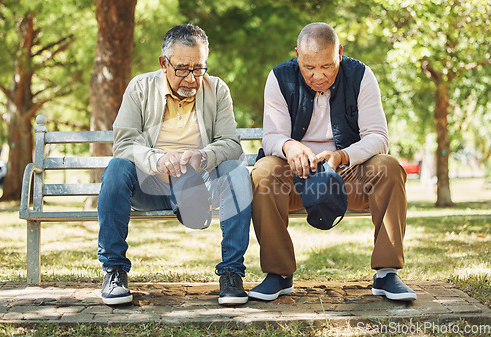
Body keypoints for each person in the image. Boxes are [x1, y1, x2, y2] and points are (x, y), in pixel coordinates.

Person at [249, 22, 416, 302]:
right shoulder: (279, 77)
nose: (317, 76)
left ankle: (387, 273)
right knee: (264, 171)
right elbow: (271, 137)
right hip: (295, 180)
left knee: (388, 167)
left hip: (346, 175)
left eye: (326, 66)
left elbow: (378, 137)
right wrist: (289, 146)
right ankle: (278, 274)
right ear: (297, 56)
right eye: (308, 67)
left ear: (339, 52)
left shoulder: (361, 76)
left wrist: (342, 156)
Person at [97, 24, 252, 306]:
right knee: (117, 168)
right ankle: (114, 270)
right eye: (182, 69)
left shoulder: (216, 89)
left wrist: (204, 156)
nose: (192, 78)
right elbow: (124, 143)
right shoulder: (140, 88)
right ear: (164, 63)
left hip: (199, 187)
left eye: (199, 68)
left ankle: (231, 274)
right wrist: (158, 159)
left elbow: (231, 144)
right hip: (151, 185)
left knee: (237, 171)